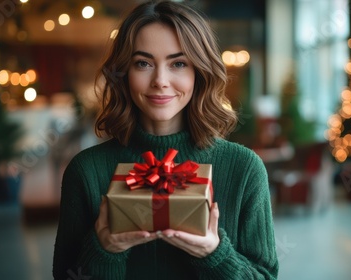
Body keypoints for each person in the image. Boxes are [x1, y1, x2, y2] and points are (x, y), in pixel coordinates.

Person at [52, 1, 279, 279]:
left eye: (179, 63)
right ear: (123, 73)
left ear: (200, 71)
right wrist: (105, 250)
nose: (160, 80)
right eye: (143, 63)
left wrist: (215, 256)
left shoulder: (244, 169)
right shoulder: (86, 171)